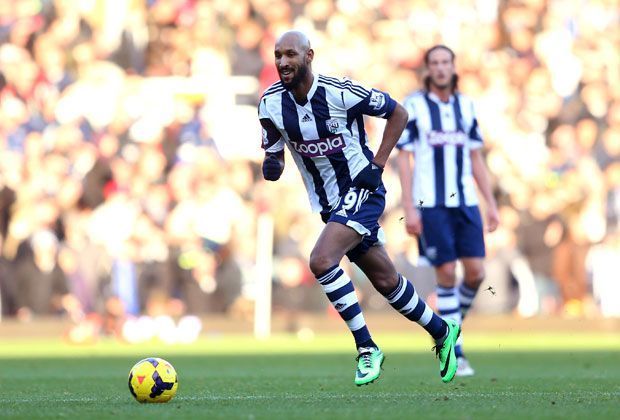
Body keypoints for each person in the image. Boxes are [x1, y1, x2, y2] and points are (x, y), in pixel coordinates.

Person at [258, 31, 460, 386]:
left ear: (309, 56)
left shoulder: (339, 91)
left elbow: (399, 112)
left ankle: (367, 348)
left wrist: (377, 165)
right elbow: (272, 152)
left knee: (321, 260)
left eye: (290, 54)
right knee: (385, 280)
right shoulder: (271, 103)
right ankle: (442, 330)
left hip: (363, 188)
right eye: (278, 55)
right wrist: (271, 165)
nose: (283, 62)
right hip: (327, 204)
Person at [396, 45, 499, 377]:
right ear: (427, 69)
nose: (440, 68)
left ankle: (448, 330)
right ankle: (456, 351)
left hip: (466, 201)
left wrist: (491, 202)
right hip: (432, 202)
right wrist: (410, 206)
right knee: (446, 274)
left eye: (446, 62)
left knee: (476, 273)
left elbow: (475, 157)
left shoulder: (466, 105)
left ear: (454, 67)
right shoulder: (414, 106)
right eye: (435, 63)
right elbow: (404, 158)